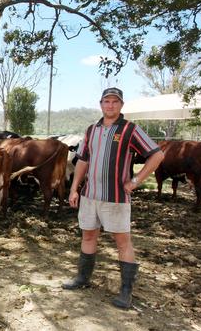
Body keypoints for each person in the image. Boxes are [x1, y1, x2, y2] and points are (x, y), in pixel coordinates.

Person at [63, 87, 164, 309]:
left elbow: (157, 154)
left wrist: (136, 180)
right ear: (101, 104)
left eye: (114, 102)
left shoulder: (130, 129)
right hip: (90, 196)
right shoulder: (91, 130)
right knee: (88, 236)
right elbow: (82, 160)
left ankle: (126, 291)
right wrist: (74, 188)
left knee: (122, 242)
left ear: (121, 105)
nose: (110, 105)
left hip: (116, 198)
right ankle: (82, 279)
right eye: (106, 101)